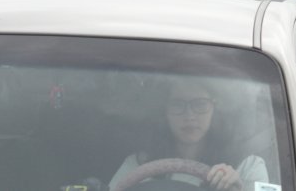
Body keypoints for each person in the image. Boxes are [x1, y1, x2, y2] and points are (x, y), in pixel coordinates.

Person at [109, 78, 268, 191]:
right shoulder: (137, 165)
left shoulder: (247, 166)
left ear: (214, 108)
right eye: (178, 105)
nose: (189, 116)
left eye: (200, 104)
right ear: (165, 112)